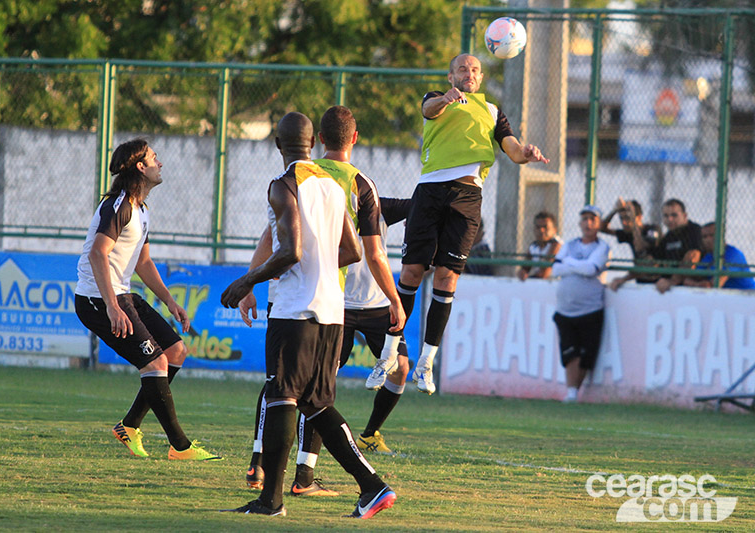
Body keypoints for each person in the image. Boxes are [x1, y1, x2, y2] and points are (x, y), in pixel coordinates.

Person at [220, 112, 396, 519]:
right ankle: (373, 486)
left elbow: (290, 251)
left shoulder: (283, 185)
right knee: (316, 403)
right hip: (333, 310)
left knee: (282, 395)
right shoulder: (332, 185)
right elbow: (353, 251)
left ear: (278, 145)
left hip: (295, 309)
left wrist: (246, 281)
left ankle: (270, 501)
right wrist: (320, 266)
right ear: (313, 143)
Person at [384, 53, 549, 395]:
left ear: (481, 77)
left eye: (474, 69)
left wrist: (526, 153)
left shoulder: (492, 111)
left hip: (468, 196)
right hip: (430, 191)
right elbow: (429, 110)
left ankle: (426, 362)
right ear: (451, 76)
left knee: (447, 277)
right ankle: (389, 352)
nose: (468, 73)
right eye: (462, 69)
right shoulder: (437, 98)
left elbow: (512, 149)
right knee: (412, 272)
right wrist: (446, 99)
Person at [74, 139, 220, 461]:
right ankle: (180, 446)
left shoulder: (141, 209)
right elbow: (98, 253)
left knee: (176, 351)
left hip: (121, 294)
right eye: (155, 158)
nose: (160, 163)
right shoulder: (119, 206)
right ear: (140, 167)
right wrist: (112, 306)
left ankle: (129, 425)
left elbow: (143, 262)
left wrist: (170, 302)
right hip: (97, 300)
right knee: (155, 363)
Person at [551, 205, 610, 403]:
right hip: (565, 309)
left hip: (590, 309)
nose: (588, 223)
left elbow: (591, 269)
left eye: (593, 219)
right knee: (570, 352)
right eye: (584, 219)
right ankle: (571, 393)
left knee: (586, 354)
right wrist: (578, 266)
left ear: (599, 224)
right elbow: (555, 269)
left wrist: (569, 263)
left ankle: (574, 392)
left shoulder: (602, 247)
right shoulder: (569, 245)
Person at [611, 198, 701, 293]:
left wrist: (672, 281)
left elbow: (693, 256)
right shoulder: (668, 237)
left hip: (691, 288)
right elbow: (651, 262)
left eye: (674, 215)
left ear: (685, 216)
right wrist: (624, 279)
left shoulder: (694, 230)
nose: (670, 219)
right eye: (666, 216)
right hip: (668, 289)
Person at [602, 198, 660, 287]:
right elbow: (602, 228)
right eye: (621, 218)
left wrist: (633, 219)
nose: (624, 223)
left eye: (627, 218)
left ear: (639, 217)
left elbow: (640, 246)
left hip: (658, 283)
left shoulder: (652, 230)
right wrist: (614, 210)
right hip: (641, 282)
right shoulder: (629, 233)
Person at [681, 222, 755, 290]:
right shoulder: (709, 256)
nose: (708, 240)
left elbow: (715, 284)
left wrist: (697, 284)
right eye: (704, 237)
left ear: (722, 236)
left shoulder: (733, 254)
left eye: (712, 235)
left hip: (747, 296)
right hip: (726, 296)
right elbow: (689, 279)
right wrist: (697, 284)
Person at [517, 211, 562, 281]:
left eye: (545, 227)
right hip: (541, 283)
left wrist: (527, 279)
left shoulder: (557, 245)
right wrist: (522, 273)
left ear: (554, 230)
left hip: (557, 284)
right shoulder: (533, 247)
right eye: (538, 227)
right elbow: (525, 269)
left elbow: (544, 274)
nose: (541, 230)